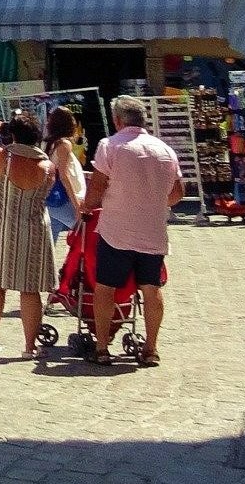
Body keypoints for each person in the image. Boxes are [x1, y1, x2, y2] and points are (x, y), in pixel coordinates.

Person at [85, 93, 183, 366]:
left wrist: (86, 208)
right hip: (152, 231)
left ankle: (102, 348)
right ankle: (151, 349)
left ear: (117, 121)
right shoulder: (165, 149)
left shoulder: (110, 146)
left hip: (117, 229)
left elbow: (98, 185)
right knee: (151, 289)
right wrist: (152, 202)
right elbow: (177, 192)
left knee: (105, 288)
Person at [0, 112, 55, 358]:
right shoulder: (48, 166)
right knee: (30, 291)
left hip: (2, 229)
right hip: (34, 230)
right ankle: (30, 347)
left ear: (14, 134)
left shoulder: (2, 157)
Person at [44, 106, 87, 243]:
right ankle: (77, 264)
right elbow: (64, 175)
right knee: (85, 234)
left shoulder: (48, 143)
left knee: (49, 242)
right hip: (65, 199)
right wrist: (76, 205)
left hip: (52, 199)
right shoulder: (64, 144)